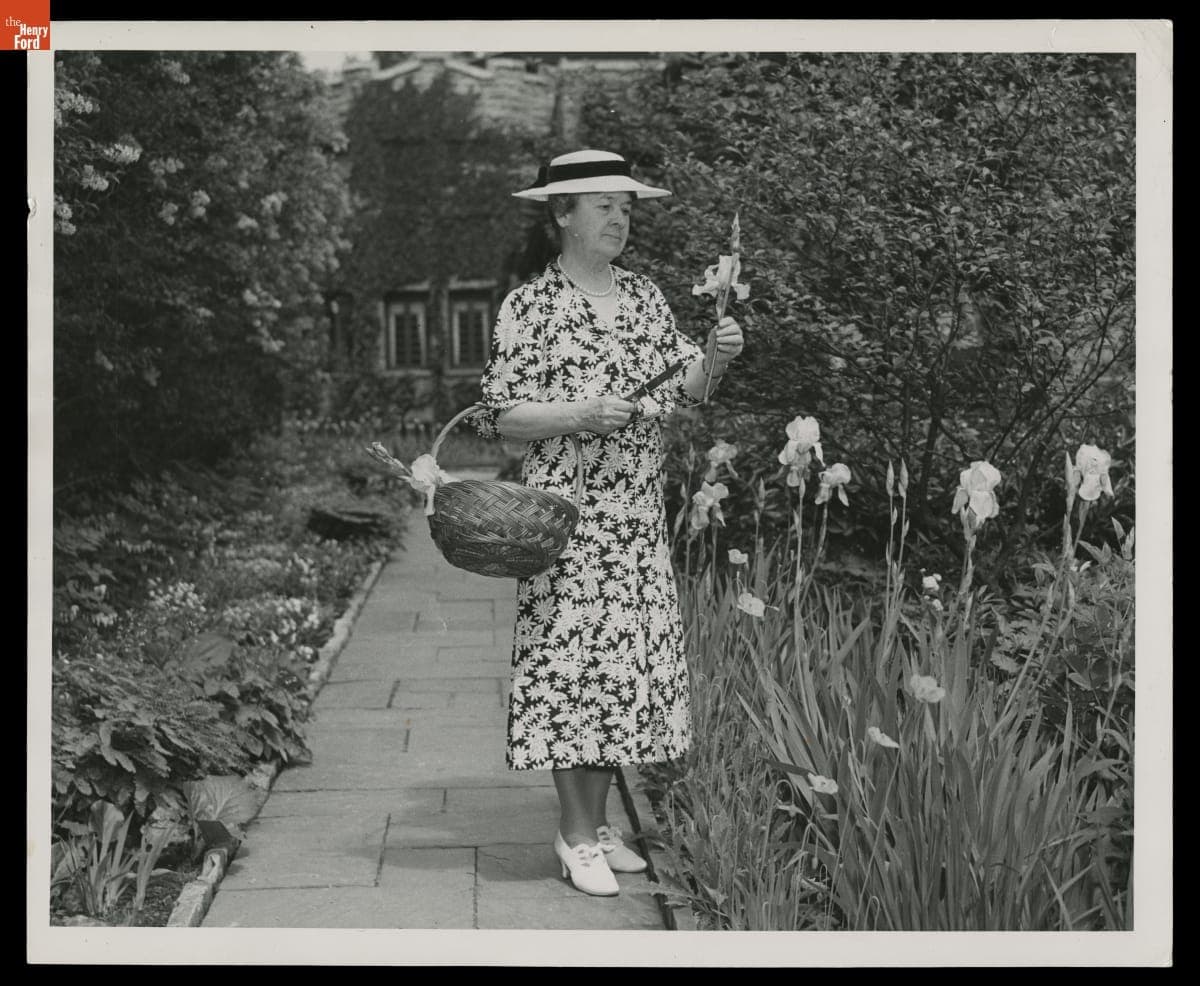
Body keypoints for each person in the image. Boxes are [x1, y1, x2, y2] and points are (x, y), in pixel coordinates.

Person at [470, 149, 744, 897]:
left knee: (624, 670)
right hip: (564, 519)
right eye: (603, 205)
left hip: (634, 516)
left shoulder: (647, 297)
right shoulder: (530, 308)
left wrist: (717, 357)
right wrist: (579, 414)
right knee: (570, 669)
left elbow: (685, 386)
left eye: (626, 206)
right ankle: (571, 834)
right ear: (561, 215)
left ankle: (592, 830)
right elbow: (503, 419)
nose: (620, 218)